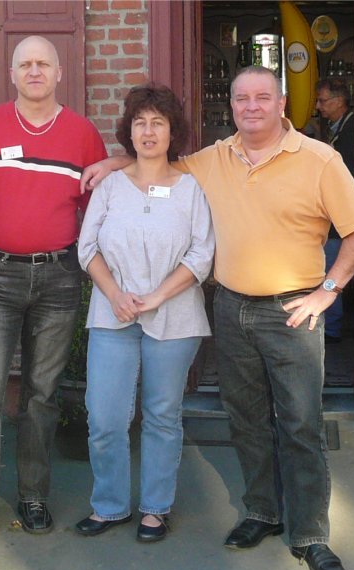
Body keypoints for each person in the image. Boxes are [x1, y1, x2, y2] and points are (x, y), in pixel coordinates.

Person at [80, 66, 354, 570]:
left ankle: (310, 535)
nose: (251, 106)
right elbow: (158, 162)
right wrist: (116, 161)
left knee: (301, 425)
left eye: (262, 97)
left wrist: (327, 291)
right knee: (246, 420)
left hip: (292, 311)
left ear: (282, 103)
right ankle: (262, 513)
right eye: (242, 98)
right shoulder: (216, 158)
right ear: (232, 107)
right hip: (233, 306)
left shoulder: (319, 158)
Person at [0, 35, 107, 547]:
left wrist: (121, 162)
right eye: (25, 64)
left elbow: (102, 205)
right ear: (11, 74)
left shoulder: (83, 134)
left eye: (43, 64)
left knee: (41, 395)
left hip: (59, 278)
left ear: (59, 73)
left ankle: (34, 495)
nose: (34, 71)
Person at [75, 84, 214, 542]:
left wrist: (156, 297)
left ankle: (155, 508)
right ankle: (109, 505)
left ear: (172, 132)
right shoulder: (110, 185)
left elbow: (201, 254)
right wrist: (115, 294)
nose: (148, 131)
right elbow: (87, 247)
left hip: (175, 318)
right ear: (129, 132)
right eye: (140, 123)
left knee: (161, 415)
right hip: (112, 314)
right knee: (105, 416)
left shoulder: (192, 189)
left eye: (158, 122)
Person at [315, 78, 354, 343]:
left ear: (339, 101)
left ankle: (331, 329)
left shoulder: (352, 130)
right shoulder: (339, 126)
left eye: (322, 101)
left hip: (342, 216)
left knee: (331, 267)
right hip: (338, 214)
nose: (318, 107)